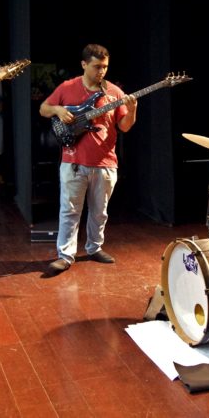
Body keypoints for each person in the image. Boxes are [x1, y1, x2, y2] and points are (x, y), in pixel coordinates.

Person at [39, 44, 137, 272]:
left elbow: (124, 126)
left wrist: (132, 110)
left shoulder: (114, 92)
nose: (101, 71)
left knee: (99, 212)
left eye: (105, 67)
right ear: (84, 64)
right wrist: (58, 110)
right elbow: (44, 108)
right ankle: (65, 255)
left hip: (105, 162)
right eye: (97, 66)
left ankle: (94, 248)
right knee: (70, 210)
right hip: (73, 161)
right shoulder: (68, 87)